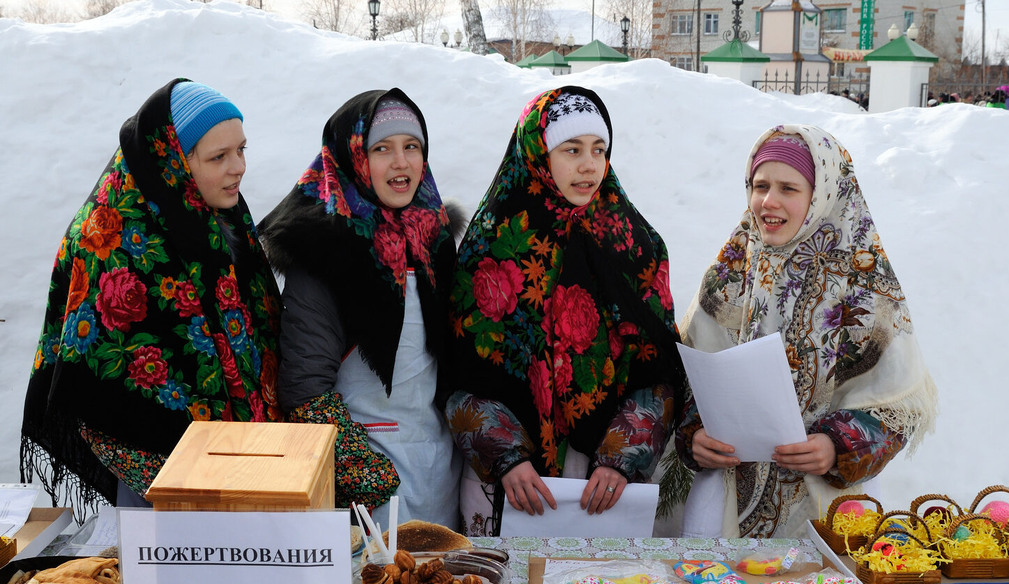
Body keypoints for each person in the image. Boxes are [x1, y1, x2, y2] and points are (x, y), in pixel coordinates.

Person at [661, 125, 938, 538]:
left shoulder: (865, 285)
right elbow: (686, 382)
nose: (767, 202)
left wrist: (837, 446)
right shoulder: (729, 274)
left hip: (825, 510)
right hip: (723, 502)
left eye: (788, 188)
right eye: (760, 185)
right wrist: (694, 436)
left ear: (823, 195)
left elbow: (898, 407)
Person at [20, 79, 281, 517]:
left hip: (235, 471)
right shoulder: (111, 237)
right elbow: (99, 388)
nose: (238, 167)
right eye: (219, 156)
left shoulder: (212, 208)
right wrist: (182, 488)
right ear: (174, 159)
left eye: (242, 149)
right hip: (160, 482)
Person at [445, 86, 682, 536]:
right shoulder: (491, 245)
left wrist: (621, 459)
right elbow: (458, 376)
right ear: (538, 153)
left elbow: (660, 370)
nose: (589, 165)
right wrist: (507, 457)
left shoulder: (635, 244)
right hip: (509, 486)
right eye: (571, 149)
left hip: (605, 484)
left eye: (599, 149)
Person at [258, 90, 462, 525]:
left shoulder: (435, 241)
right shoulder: (324, 255)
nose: (401, 162)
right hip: (363, 487)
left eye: (412, 147)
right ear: (352, 157)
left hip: (437, 468)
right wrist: (366, 476)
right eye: (382, 149)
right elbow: (307, 389)